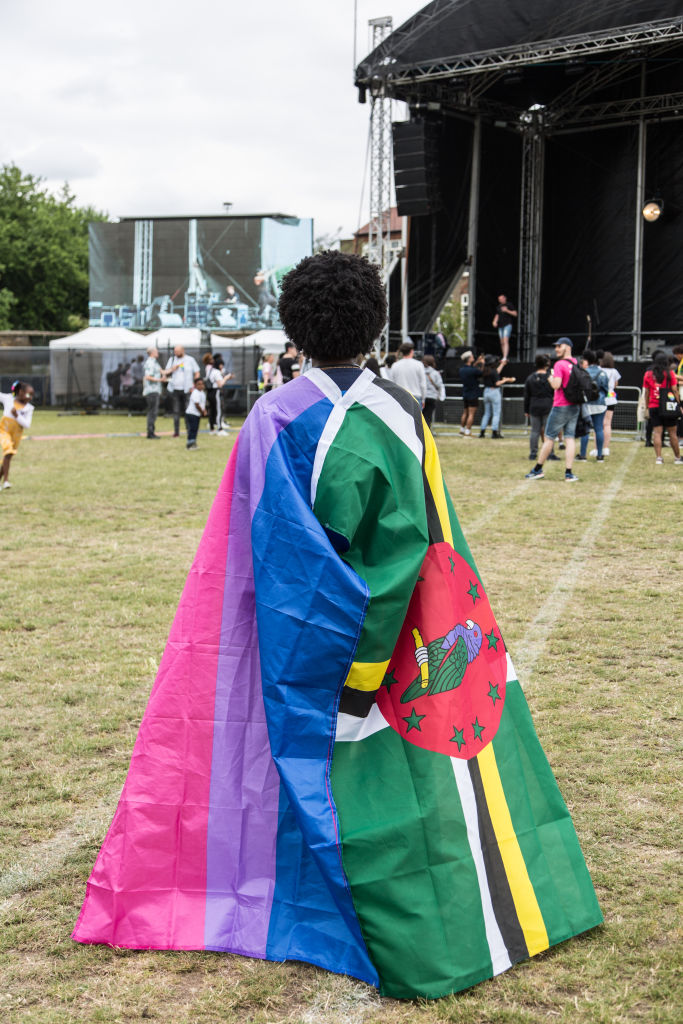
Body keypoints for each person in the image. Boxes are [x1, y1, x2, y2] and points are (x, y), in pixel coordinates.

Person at [73, 251, 603, 999]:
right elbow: (421, 538)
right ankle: (463, 895)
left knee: (301, 762)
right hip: (416, 627)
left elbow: (280, 557)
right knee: (420, 771)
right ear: (373, 325)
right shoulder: (401, 412)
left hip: (325, 636)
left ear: (294, 328)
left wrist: (338, 667)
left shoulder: (277, 415)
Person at [526, 337, 580, 481]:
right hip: (574, 406)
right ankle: (569, 473)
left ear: (568, 347)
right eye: (555, 347)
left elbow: (556, 385)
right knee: (570, 438)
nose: (556, 349)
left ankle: (537, 469)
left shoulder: (559, 364)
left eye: (559, 346)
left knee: (549, 438)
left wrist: (550, 377)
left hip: (561, 405)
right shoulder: (576, 363)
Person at [642, 353, 682, 465]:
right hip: (668, 406)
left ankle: (659, 458)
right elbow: (674, 390)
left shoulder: (648, 374)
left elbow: (646, 392)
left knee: (657, 433)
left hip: (654, 406)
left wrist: (647, 406)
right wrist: (679, 405)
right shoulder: (670, 374)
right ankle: (677, 458)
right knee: (672, 433)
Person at [0, 381, 34, 489]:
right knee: (8, 451)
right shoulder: (8, 399)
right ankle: (6, 481)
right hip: (4, 431)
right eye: (29, 394)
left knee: (8, 457)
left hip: (17, 435)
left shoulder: (29, 408)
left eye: (32, 395)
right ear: (20, 392)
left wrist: (17, 415)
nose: (31, 397)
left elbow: (27, 425)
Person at [577, 350, 608, 462]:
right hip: (600, 403)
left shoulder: (583, 372)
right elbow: (606, 389)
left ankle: (583, 455)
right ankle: (600, 455)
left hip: (587, 403)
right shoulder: (603, 373)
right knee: (599, 428)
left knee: (585, 429)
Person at [165, 345, 200, 438]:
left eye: (177, 351)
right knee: (176, 411)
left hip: (187, 389)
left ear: (183, 350)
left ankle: (189, 430)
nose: (176, 353)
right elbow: (166, 372)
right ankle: (176, 432)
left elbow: (197, 372)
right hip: (175, 389)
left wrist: (195, 385)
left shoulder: (190, 360)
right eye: (175, 351)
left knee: (188, 410)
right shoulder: (172, 360)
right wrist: (173, 368)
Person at [523, 354, 554, 460]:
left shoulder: (530, 378)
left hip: (534, 406)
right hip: (547, 406)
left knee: (534, 431)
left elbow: (527, 395)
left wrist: (526, 410)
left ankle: (533, 453)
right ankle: (550, 453)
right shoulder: (550, 378)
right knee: (548, 431)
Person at [479, 355, 515, 438]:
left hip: (486, 392)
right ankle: (494, 432)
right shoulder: (493, 371)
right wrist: (505, 380)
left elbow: (496, 372)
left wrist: (502, 365)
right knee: (496, 413)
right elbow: (497, 383)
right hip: (494, 392)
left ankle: (482, 432)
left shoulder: (484, 370)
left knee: (487, 413)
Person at [597, 352, 621, 456]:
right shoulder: (614, 371)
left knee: (598, 425)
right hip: (611, 398)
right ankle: (606, 448)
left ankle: (597, 448)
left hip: (600, 399)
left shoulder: (598, 369)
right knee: (607, 424)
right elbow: (616, 384)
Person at [390, 340, 427, 406]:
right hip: (415, 397)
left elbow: (392, 383)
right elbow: (423, 384)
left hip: (400, 397)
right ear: (411, 351)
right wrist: (423, 399)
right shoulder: (419, 364)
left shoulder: (395, 365)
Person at [458, 350, 484, 435]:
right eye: (472, 356)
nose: (473, 357)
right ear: (469, 359)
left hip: (465, 393)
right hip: (473, 394)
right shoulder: (473, 370)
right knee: (471, 414)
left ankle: (462, 429)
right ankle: (468, 431)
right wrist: (482, 363)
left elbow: (472, 368)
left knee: (465, 412)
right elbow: (481, 372)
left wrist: (477, 362)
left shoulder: (462, 370)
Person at [142, 345, 163, 439]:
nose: (158, 353)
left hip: (155, 391)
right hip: (152, 391)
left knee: (153, 412)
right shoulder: (150, 363)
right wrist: (160, 380)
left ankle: (151, 432)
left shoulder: (155, 363)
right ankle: (150, 433)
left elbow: (162, 372)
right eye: (156, 351)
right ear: (152, 352)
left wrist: (175, 368)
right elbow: (148, 377)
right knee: (152, 412)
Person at [422, 354, 445, 428]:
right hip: (432, 397)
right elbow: (439, 385)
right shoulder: (435, 373)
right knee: (428, 417)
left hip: (422, 396)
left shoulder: (420, 372)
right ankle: (427, 434)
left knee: (420, 417)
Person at [492, 293, 517, 361]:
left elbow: (515, 314)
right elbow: (497, 315)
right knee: (502, 342)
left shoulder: (509, 305)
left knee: (505, 340)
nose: (501, 300)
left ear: (505, 298)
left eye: (502, 298)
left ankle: (505, 356)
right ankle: (504, 356)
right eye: (499, 299)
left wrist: (507, 310)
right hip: (500, 326)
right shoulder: (498, 307)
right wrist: (494, 321)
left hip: (507, 325)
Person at [184, 378, 207, 450]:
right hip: (192, 414)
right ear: (195, 385)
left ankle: (193, 443)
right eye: (199, 384)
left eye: (202, 384)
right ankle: (189, 444)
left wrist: (204, 410)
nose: (201, 386)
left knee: (195, 429)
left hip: (196, 414)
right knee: (192, 429)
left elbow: (202, 404)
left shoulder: (202, 393)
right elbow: (197, 404)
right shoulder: (195, 392)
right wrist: (202, 412)